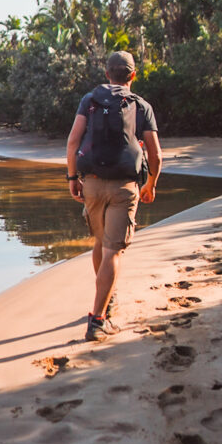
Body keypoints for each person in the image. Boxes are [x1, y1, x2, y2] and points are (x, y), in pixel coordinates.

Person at [65, 50, 162, 341]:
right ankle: (97, 320)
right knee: (112, 250)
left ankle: (106, 298)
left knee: (101, 242)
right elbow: (155, 153)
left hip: (91, 183)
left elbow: (72, 141)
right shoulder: (141, 106)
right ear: (133, 75)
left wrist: (72, 177)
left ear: (107, 74)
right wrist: (152, 183)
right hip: (123, 187)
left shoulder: (89, 100)